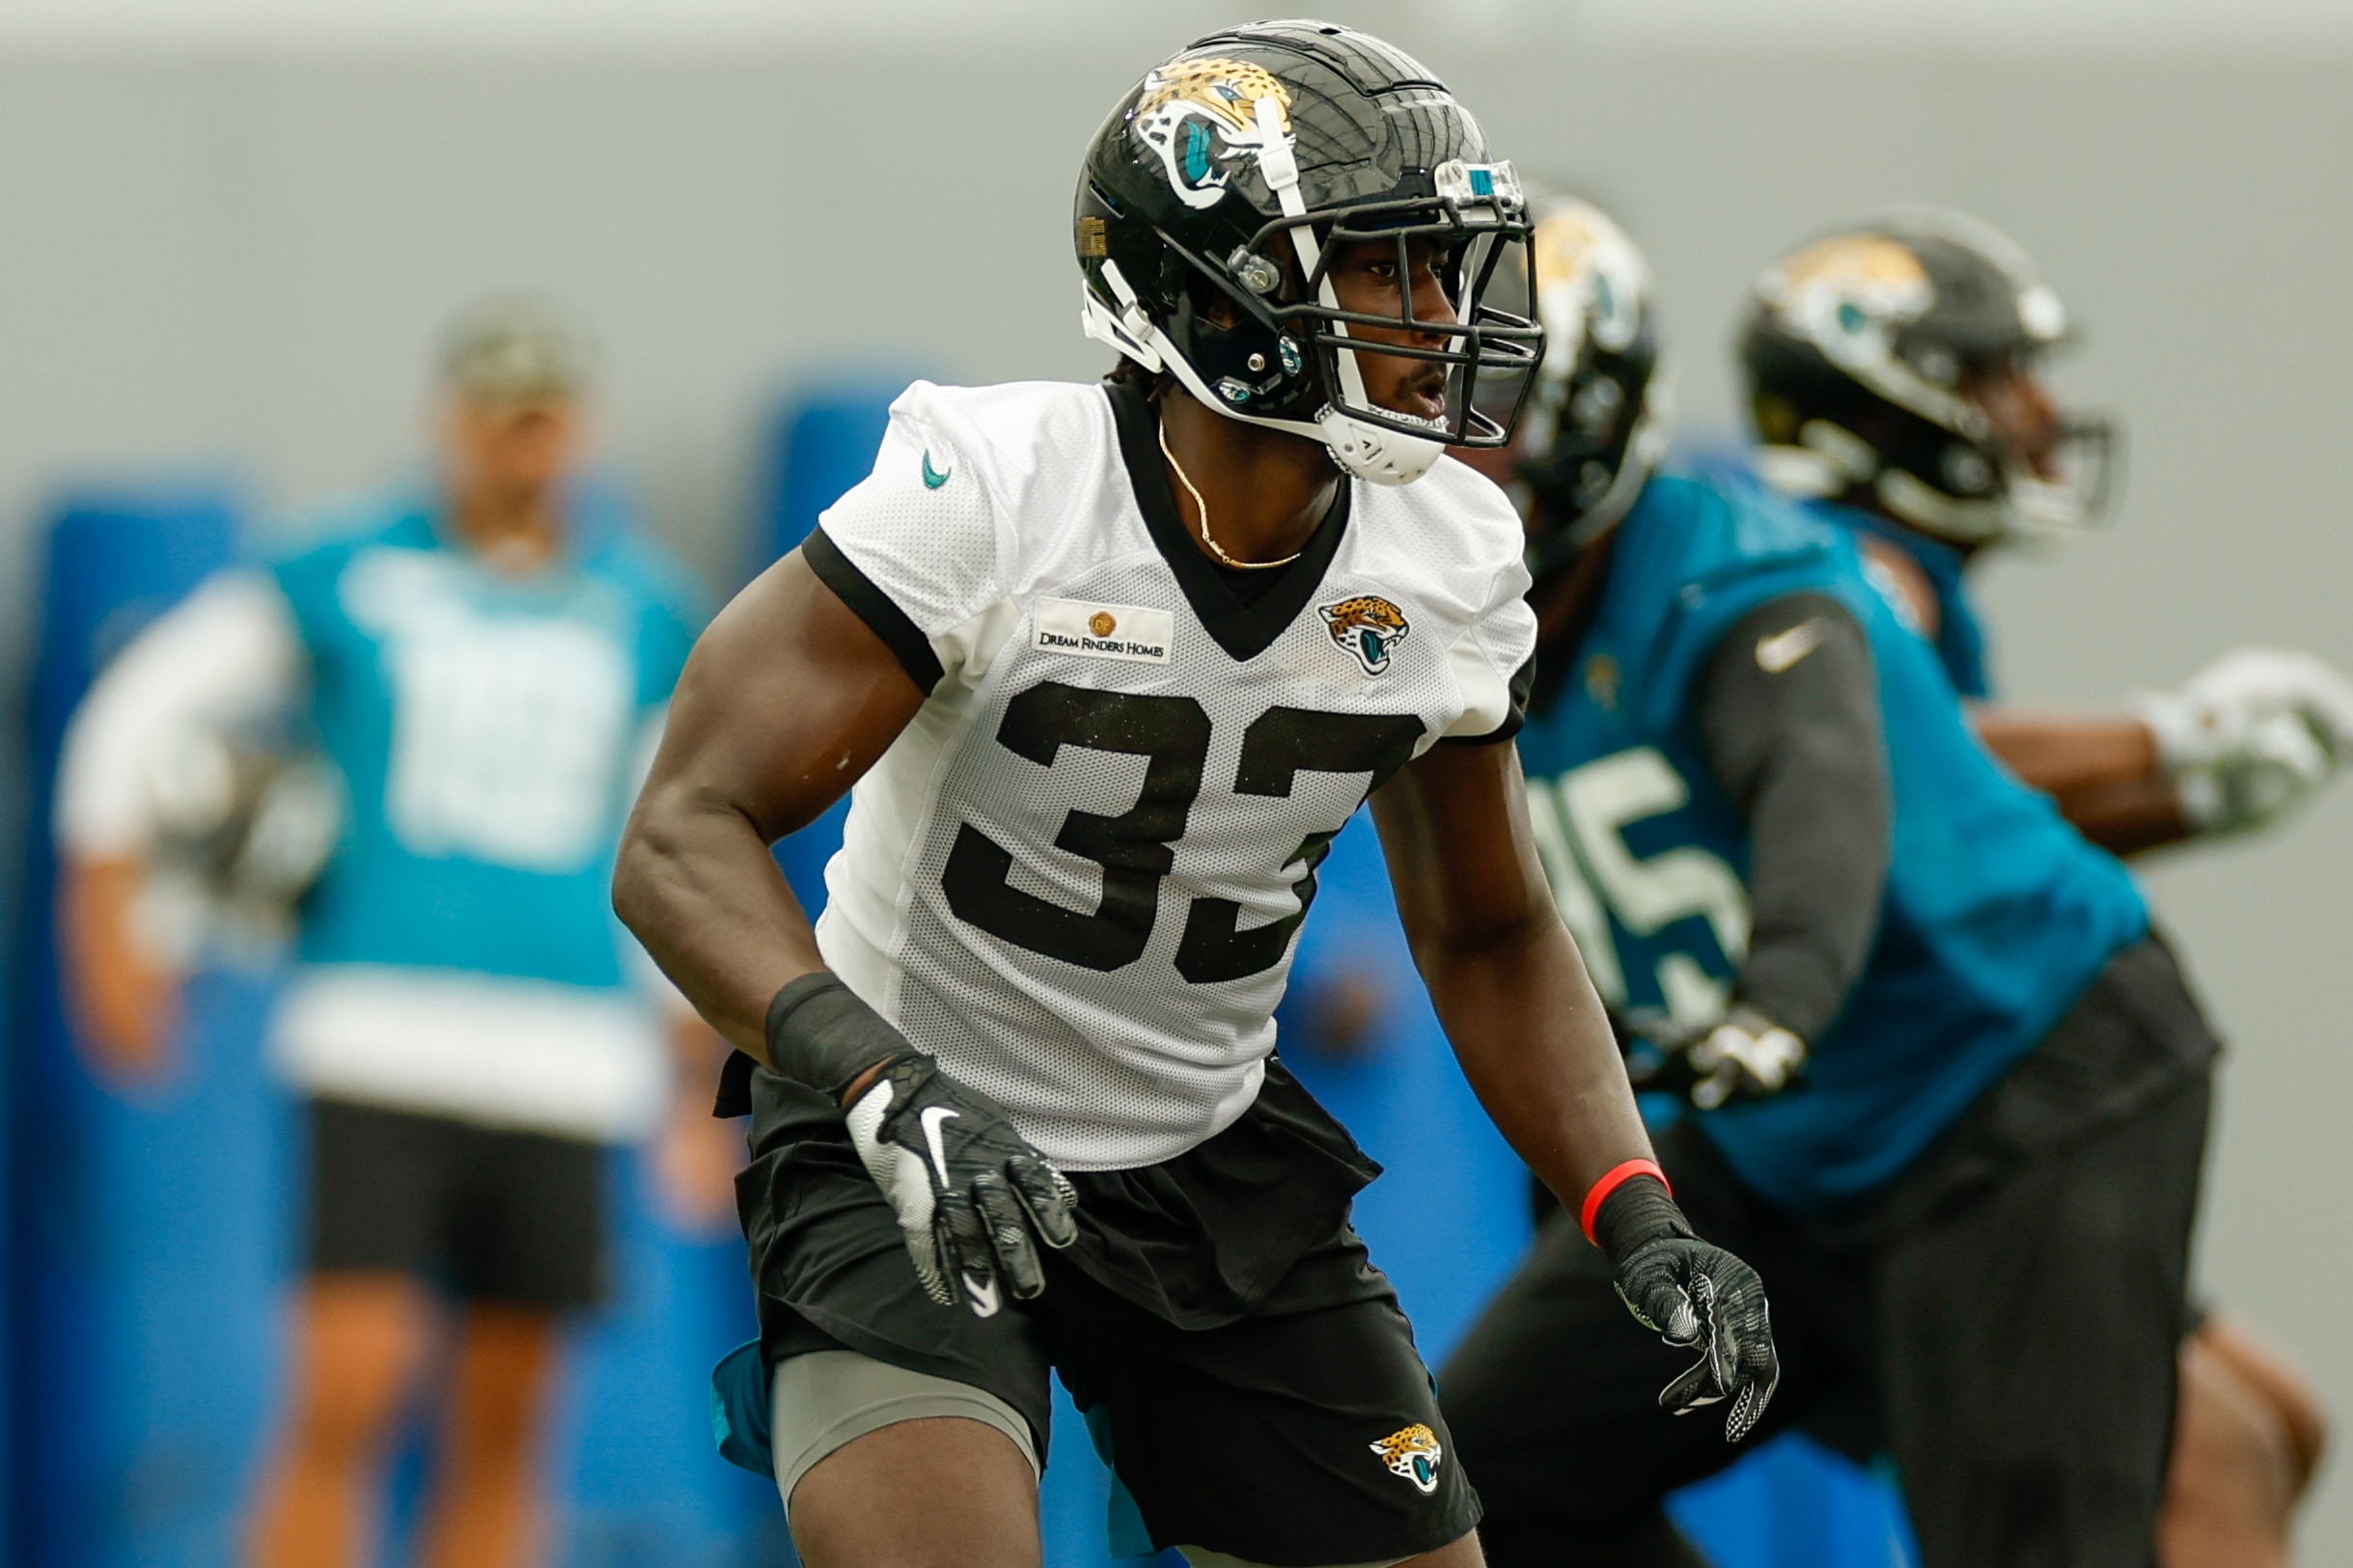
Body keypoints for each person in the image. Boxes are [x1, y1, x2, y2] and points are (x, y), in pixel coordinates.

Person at [612, 23, 1778, 1568]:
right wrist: (875, 1076)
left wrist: (1630, 1197)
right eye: (1382, 269)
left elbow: (1489, 933)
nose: (1441, 316)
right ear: (1206, 287)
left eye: (1441, 269)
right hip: (913, 1127)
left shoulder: (1443, 558)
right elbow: (680, 830)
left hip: (1211, 1153)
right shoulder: (999, 491)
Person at [1434, 199, 2343, 1568]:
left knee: (2096, 1511)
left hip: (2000, 1089)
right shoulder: (1422, 629)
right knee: (1477, 1477)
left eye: (1489, 412)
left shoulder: (1746, 579)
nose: (1448, 457)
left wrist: (1780, 999)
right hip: (1784, 1138)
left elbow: (1826, 799)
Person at [54, 298, 732, 1568]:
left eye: (542, 420)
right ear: (449, 422)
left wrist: (689, 1070)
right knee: (346, 1393)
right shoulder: (342, 565)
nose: (520, 447)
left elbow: (666, 846)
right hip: (378, 1036)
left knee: (510, 1416)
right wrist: (105, 915)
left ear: (578, 430)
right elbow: (138, 712)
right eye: (496, 418)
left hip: (566, 1052)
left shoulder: (642, 605)